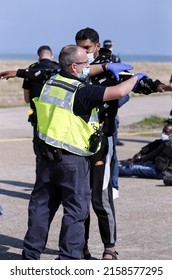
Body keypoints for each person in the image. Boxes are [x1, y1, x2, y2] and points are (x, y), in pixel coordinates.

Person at [0, 45, 141, 260]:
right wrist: (137, 78)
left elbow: (49, 72)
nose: (89, 68)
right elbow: (120, 92)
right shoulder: (82, 91)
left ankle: (30, 256)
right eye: (86, 64)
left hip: (46, 158)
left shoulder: (51, 81)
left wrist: (103, 67)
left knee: (41, 208)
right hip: (72, 161)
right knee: (76, 212)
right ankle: (68, 260)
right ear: (75, 67)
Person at [74, 27, 172, 259]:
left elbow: (136, 80)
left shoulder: (110, 67)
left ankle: (110, 248)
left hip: (101, 143)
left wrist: (156, 85)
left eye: (87, 48)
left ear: (97, 46)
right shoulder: (74, 67)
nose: (83, 51)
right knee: (79, 198)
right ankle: (81, 247)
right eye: (80, 47)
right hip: (75, 144)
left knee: (100, 197)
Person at [22, 45, 60, 176]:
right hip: (57, 116)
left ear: (38, 57)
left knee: (40, 150)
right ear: (52, 55)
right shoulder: (58, 69)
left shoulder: (31, 70)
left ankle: (42, 180)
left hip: (37, 117)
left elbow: (27, 99)